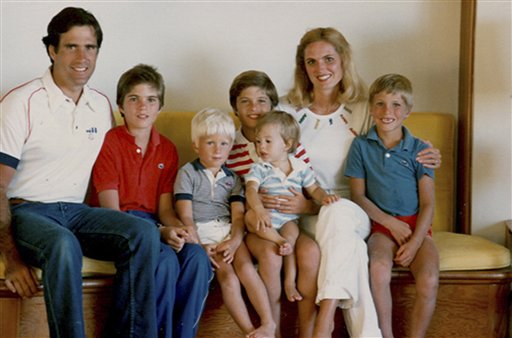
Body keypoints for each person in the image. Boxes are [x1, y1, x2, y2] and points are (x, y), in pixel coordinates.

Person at [0, 7, 162, 338]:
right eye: (72, 46)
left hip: (77, 211)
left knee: (142, 233)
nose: (82, 56)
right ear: (52, 50)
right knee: (63, 244)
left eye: (90, 47)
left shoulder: (101, 106)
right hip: (27, 211)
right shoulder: (21, 102)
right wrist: (12, 259)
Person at [277, 27, 442, 337]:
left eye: (328, 59)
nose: (320, 69)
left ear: (343, 61)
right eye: (311, 62)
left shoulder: (365, 109)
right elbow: (274, 158)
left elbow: (396, 138)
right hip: (303, 212)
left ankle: (323, 322)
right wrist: (308, 205)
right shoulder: (287, 111)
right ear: (302, 67)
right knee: (351, 250)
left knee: (339, 214)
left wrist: (431, 155)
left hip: (354, 212)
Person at [91, 64, 212, 338]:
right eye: (133, 99)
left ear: (160, 107)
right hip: (117, 226)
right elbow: (111, 211)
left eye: (151, 100)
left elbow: (165, 209)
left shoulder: (166, 148)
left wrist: (180, 229)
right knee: (165, 259)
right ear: (121, 106)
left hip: (153, 223)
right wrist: (160, 233)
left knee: (195, 257)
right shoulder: (109, 142)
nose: (142, 107)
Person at [227, 70, 321, 338]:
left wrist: (304, 207)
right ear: (235, 108)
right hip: (254, 228)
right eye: (245, 101)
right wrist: (253, 208)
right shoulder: (229, 147)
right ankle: (274, 330)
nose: (254, 108)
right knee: (270, 254)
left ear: (272, 106)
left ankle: (306, 332)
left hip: (289, 222)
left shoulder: (291, 149)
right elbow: (228, 196)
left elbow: (312, 196)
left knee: (310, 252)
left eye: (261, 101)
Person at [345, 74, 439, 338]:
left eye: (396, 104)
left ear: (407, 111)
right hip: (380, 226)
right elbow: (359, 196)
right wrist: (389, 223)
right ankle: (385, 335)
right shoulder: (361, 146)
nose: (388, 112)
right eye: (380, 104)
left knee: (429, 279)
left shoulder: (420, 149)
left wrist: (416, 241)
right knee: (378, 270)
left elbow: (429, 203)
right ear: (372, 108)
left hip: (417, 227)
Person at [173, 108, 276, 338]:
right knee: (228, 277)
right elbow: (186, 216)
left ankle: (269, 324)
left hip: (230, 233)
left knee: (247, 270)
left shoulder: (234, 179)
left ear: (231, 146)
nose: (218, 150)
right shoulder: (187, 173)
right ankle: (250, 332)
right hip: (202, 234)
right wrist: (199, 246)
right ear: (196, 145)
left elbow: (238, 216)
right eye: (210, 143)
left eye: (224, 143)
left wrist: (235, 241)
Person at [244, 110, 340, 304]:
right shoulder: (259, 167)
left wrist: (325, 198)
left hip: (287, 219)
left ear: (287, 144)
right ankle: (277, 240)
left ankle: (289, 280)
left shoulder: (300, 167)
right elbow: (251, 191)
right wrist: (259, 209)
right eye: (258, 141)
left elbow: (313, 189)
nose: (261, 146)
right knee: (251, 218)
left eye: (268, 141)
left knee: (291, 237)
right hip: (264, 219)